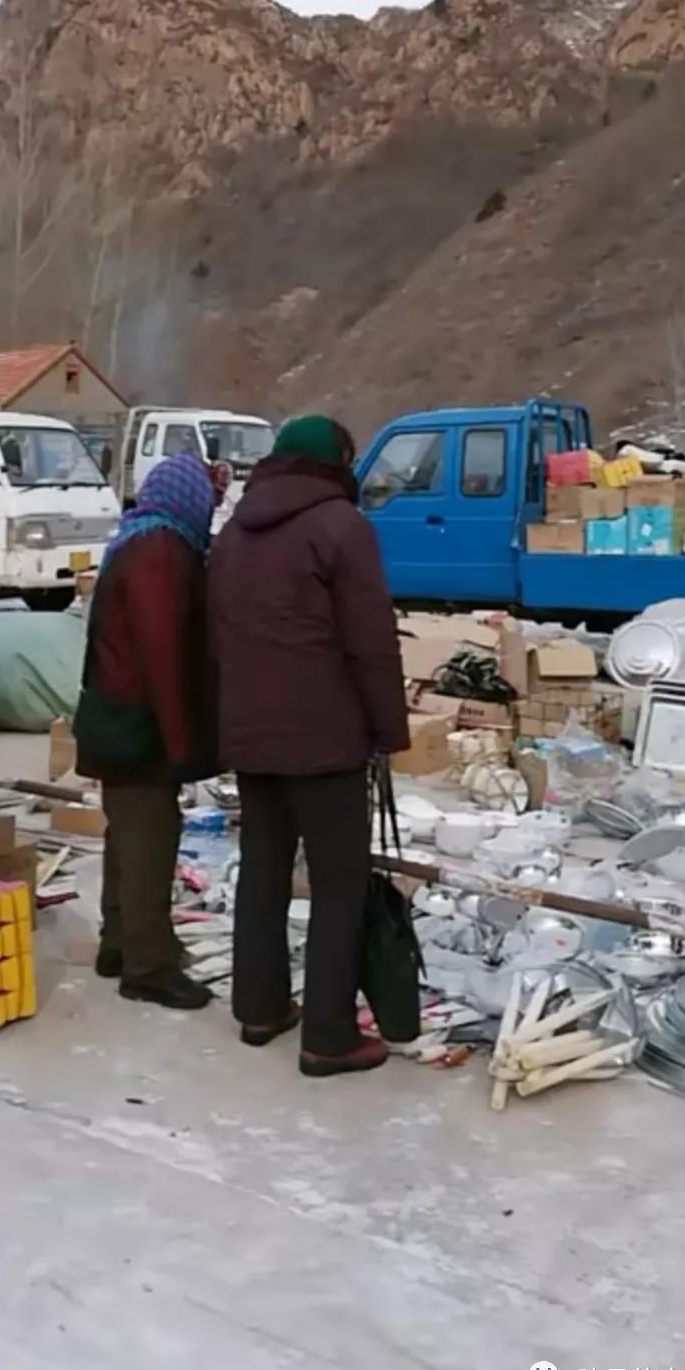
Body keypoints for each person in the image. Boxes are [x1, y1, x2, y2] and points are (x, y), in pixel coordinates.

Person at [209, 414, 409, 1077]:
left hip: (253, 736)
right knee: (339, 883)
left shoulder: (234, 533)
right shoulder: (340, 527)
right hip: (325, 740)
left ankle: (260, 1008)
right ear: (335, 461)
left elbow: (220, 638)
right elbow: (370, 642)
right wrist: (388, 729)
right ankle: (328, 1034)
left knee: (263, 872)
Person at [74, 452, 218, 1010]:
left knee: (126, 836)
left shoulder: (139, 538)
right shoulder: (161, 550)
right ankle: (148, 967)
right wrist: (182, 742)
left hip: (116, 713)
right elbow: (164, 653)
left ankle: (120, 944)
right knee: (151, 839)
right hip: (139, 720)